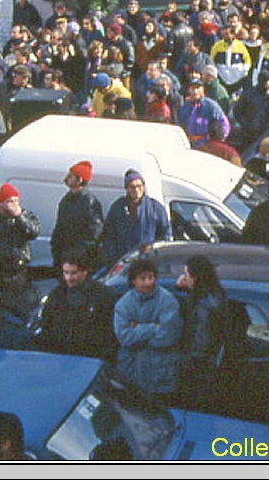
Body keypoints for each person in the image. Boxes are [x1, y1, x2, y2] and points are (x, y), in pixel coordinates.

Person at [113, 257, 183, 399]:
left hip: (160, 376)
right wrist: (154, 327)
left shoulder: (168, 301)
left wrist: (137, 328)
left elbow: (167, 336)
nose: (147, 282)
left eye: (150, 277)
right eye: (142, 278)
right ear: (133, 280)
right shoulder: (123, 305)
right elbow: (124, 337)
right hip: (131, 375)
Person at [37, 246, 117, 360]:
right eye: (66, 273)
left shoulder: (103, 296)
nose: (69, 278)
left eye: (74, 273)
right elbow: (47, 327)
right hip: (62, 358)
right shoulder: (56, 296)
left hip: (91, 359)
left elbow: (109, 334)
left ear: (85, 272)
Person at [176, 255, 229, 412]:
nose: (183, 277)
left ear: (196, 277)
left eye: (186, 274)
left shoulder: (203, 307)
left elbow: (198, 346)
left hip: (199, 375)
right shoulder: (216, 293)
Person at [99, 170, 171, 265]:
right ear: (126, 188)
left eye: (139, 186)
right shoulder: (117, 207)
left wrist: (153, 250)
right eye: (132, 187)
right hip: (122, 262)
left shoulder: (156, 208)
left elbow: (165, 236)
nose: (136, 190)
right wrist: (114, 257)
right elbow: (108, 235)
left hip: (147, 262)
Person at [52, 160, 105, 265]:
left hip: (80, 259)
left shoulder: (90, 202)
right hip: (63, 256)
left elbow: (94, 232)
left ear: (80, 180)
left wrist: (79, 253)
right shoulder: (66, 200)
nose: (65, 179)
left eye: (70, 176)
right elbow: (59, 227)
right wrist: (55, 247)